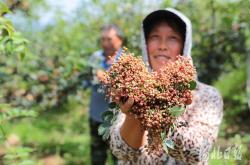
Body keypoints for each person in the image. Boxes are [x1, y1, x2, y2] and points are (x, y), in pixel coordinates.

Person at [109, 8, 223, 165]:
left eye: (172, 38)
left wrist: (162, 114)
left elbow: (199, 151)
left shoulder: (207, 95)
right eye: (155, 37)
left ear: (185, 45)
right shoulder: (131, 88)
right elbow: (122, 152)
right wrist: (133, 113)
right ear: (145, 43)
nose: (162, 45)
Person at [86, 24, 123, 165]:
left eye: (109, 39)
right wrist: (93, 76)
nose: (105, 43)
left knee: (119, 158)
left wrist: (109, 79)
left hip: (118, 121)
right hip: (96, 116)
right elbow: (87, 80)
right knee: (97, 157)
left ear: (120, 40)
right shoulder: (95, 58)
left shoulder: (125, 60)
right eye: (103, 39)